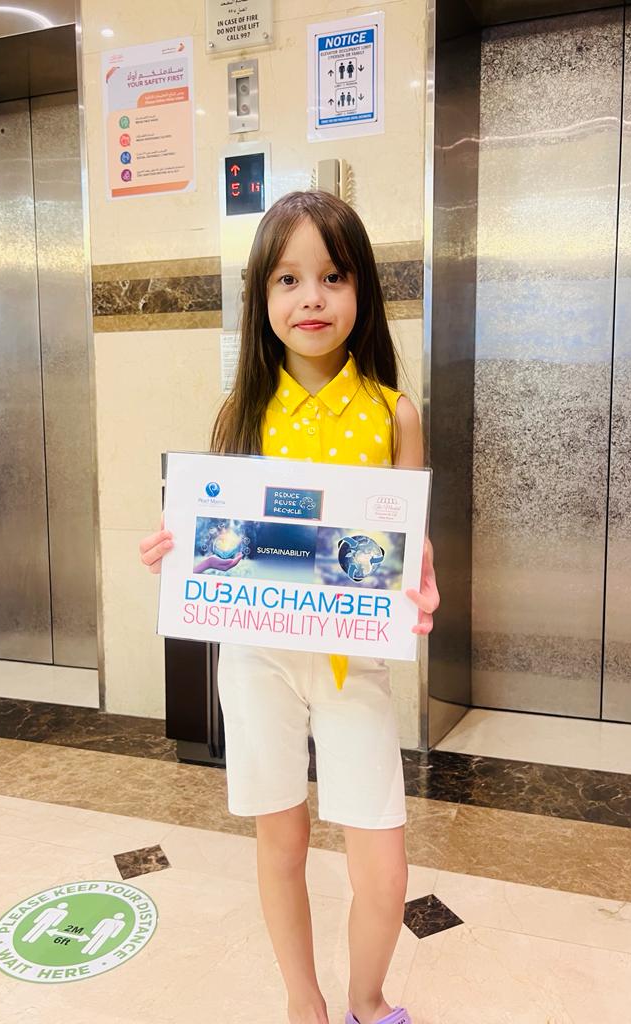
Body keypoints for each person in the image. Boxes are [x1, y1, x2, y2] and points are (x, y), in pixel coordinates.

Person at [139, 190, 439, 1024]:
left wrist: (424, 584)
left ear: (361, 288)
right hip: (256, 661)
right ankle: (303, 1004)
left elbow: (413, 544)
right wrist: (171, 552)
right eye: (288, 279)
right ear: (261, 297)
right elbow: (214, 537)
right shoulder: (241, 413)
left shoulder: (393, 413)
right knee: (282, 841)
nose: (312, 298)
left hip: (355, 661)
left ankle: (367, 1000)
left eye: (333, 277)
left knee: (383, 867)